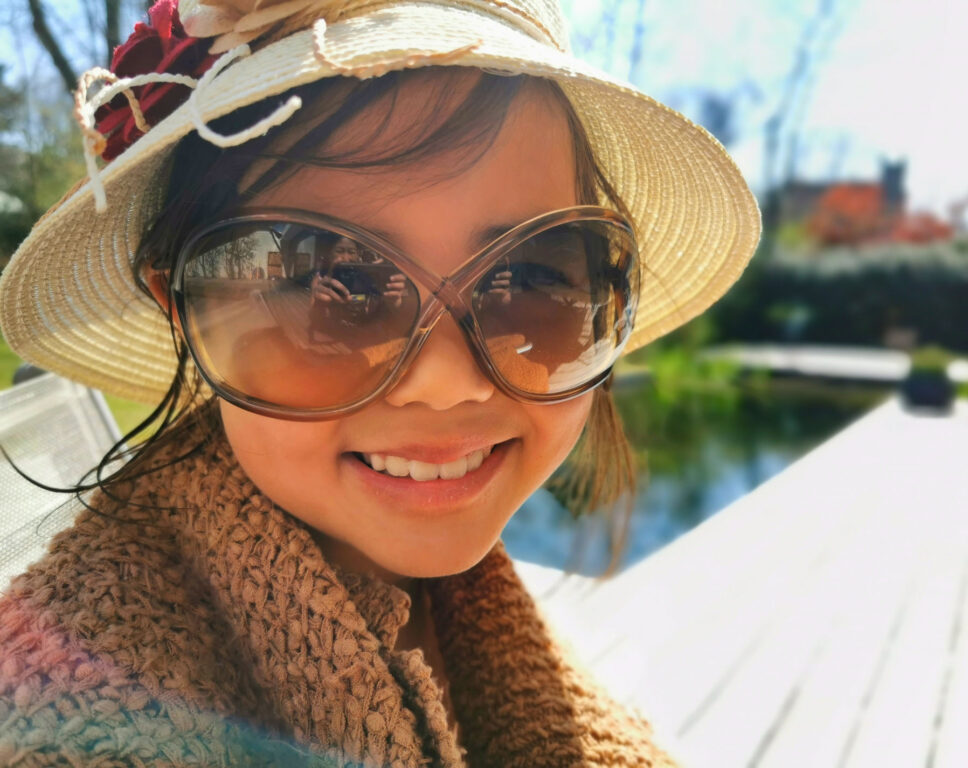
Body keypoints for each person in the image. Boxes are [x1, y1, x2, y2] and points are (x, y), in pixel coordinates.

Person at [0, 0, 760, 764]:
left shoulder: (467, 615)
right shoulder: (67, 722)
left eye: (531, 274)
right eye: (333, 280)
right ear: (185, 313)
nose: (447, 382)